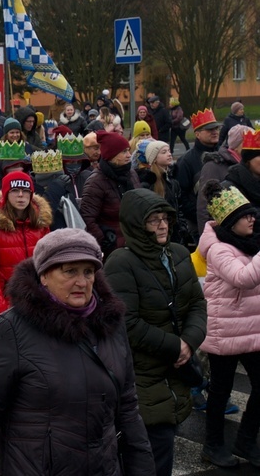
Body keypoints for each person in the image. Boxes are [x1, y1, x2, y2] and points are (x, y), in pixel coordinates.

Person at [0, 228, 156, 475]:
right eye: (70, 271)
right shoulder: (11, 330)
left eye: (88, 272)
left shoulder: (110, 325)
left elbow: (128, 409)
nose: (81, 282)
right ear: (44, 276)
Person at [105, 189, 206, 475]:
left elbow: (197, 303)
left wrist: (189, 342)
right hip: (143, 377)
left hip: (176, 374)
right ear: (136, 224)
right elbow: (127, 322)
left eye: (165, 219)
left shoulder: (178, 253)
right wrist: (176, 347)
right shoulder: (121, 263)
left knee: (163, 448)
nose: (162, 226)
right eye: (153, 220)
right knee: (149, 455)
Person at [199, 181, 260, 468]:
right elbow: (243, 278)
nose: (253, 219)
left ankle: (246, 441)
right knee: (220, 392)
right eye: (246, 215)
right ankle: (212, 445)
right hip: (224, 330)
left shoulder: (249, 243)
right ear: (230, 221)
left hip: (251, 328)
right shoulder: (218, 249)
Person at [0, 170, 51, 321]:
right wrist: (1, 314)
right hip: (9, 304)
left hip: (39, 303)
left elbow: (49, 267)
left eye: (25, 191)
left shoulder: (41, 225)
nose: (20, 195)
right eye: (15, 190)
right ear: (5, 194)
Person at [80, 131, 141, 258]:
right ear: (111, 155)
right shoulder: (96, 182)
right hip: (113, 252)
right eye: (124, 152)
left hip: (136, 243)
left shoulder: (131, 174)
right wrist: (106, 241)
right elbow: (88, 219)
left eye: (128, 151)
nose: (129, 155)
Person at [176, 109, 222, 243]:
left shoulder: (224, 154)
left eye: (216, 128)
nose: (214, 132)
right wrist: (201, 216)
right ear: (197, 134)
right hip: (199, 226)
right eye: (209, 130)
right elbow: (182, 195)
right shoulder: (186, 161)